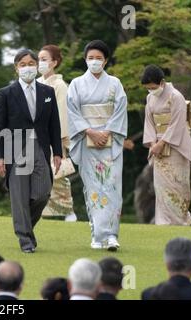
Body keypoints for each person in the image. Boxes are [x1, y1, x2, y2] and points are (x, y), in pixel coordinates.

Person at [0, 49, 62, 253]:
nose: (28, 67)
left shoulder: (47, 92)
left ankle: (25, 228)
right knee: (20, 196)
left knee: (43, 193)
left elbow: (54, 124)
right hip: (16, 149)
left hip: (40, 147)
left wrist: (57, 152)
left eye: (31, 63)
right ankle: (25, 239)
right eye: (22, 64)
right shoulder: (6, 93)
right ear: (16, 68)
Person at [67, 40, 127, 251]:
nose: (94, 62)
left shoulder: (115, 84)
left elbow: (120, 110)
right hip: (86, 140)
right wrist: (90, 131)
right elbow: (72, 111)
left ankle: (111, 235)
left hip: (110, 141)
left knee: (112, 187)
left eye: (98, 58)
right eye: (91, 58)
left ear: (106, 60)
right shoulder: (76, 84)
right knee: (93, 186)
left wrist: (107, 132)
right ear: (85, 60)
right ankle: (97, 234)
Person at [142, 65, 191, 225]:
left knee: (178, 184)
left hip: (176, 146)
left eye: (153, 87)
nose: (151, 90)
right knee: (161, 187)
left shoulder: (175, 96)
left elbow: (178, 123)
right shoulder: (150, 98)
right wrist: (152, 144)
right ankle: (163, 221)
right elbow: (149, 123)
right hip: (157, 144)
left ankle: (180, 220)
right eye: (148, 88)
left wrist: (161, 143)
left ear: (162, 82)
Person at [37, 45, 77, 222]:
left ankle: (68, 210)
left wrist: (59, 139)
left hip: (53, 135)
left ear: (54, 62)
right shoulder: (36, 83)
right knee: (39, 173)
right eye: (39, 59)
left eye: (44, 59)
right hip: (36, 135)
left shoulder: (60, 85)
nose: (40, 63)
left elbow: (62, 113)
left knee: (58, 173)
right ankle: (42, 210)